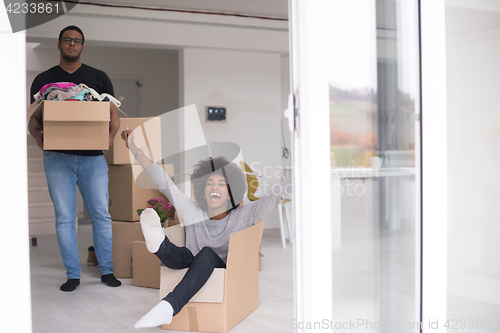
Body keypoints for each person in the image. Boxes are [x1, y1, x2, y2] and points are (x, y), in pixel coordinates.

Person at [120, 128, 292, 328]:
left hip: (218, 267)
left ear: (230, 193)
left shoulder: (245, 215)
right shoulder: (193, 212)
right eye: (210, 183)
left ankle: (169, 306)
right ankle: (158, 243)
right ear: (202, 192)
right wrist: (133, 147)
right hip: (188, 262)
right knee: (184, 254)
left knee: (207, 254)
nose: (215, 188)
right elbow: (164, 182)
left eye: (221, 184)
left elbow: (274, 195)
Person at [28, 25, 121, 292]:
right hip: (57, 158)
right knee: (64, 217)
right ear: (59, 45)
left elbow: (113, 115)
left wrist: (111, 137)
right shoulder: (44, 81)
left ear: (82, 46)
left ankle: (107, 271)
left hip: (93, 159)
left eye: (77, 41)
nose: (72, 44)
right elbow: (33, 120)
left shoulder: (98, 78)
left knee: (101, 215)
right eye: (67, 40)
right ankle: (72, 274)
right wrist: (37, 136)